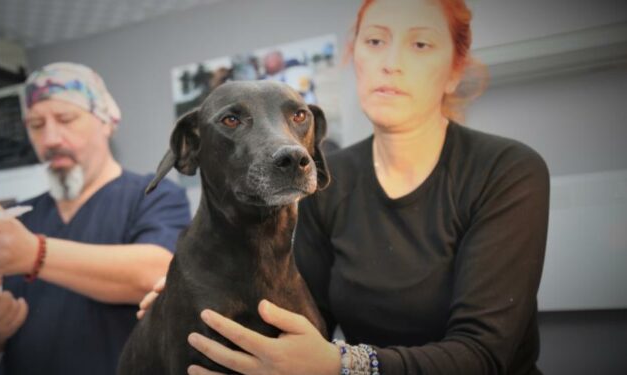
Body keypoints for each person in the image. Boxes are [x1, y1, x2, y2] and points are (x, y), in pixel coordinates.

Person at [140, 0, 550, 374]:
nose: (391, 62)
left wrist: (343, 365)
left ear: (454, 72)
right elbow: (300, 317)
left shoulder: (507, 170)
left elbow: (485, 354)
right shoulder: (327, 179)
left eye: (420, 44)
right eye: (375, 41)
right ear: (356, 58)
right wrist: (186, 292)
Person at [0, 62, 192, 374]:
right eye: (36, 125)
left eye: (66, 119)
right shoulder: (16, 221)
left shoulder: (153, 195)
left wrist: (35, 254)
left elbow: (156, 272)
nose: (50, 139)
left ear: (106, 121)